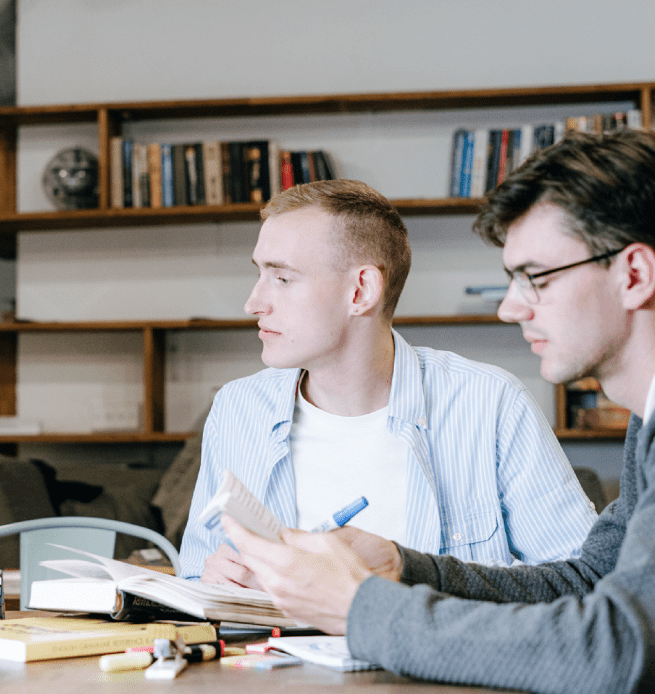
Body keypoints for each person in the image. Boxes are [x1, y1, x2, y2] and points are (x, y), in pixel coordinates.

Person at [223, 128, 655, 693]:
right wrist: (405, 568)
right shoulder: (645, 423)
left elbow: (615, 649)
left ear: (635, 275)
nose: (509, 308)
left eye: (537, 278)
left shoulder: (492, 399)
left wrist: (360, 608)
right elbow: (589, 579)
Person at [178, 179, 598, 585]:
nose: (254, 303)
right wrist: (213, 579)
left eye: (282, 278)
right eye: (259, 275)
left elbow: (584, 580)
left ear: (361, 290)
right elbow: (195, 577)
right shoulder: (237, 408)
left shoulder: (491, 403)